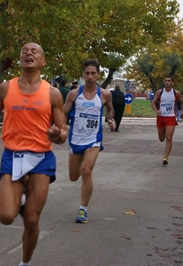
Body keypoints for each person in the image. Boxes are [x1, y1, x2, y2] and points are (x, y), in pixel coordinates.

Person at [0, 43, 68, 266]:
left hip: (41, 159)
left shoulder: (53, 93)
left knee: (32, 219)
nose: (29, 54)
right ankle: (20, 200)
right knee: (6, 216)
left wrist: (56, 134)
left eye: (34, 51)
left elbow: (62, 133)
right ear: (20, 59)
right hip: (13, 156)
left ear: (43, 61)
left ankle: (25, 263)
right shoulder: (6, 88)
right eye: (24, 52)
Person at [63, 59, 116, 224]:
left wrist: (111, 120)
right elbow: (63, 114)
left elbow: (110, 110)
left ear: (98, 75)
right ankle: (81, 174)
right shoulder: (74, 94)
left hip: (93, 139)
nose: (90, 76)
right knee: (73, 176)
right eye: (87, 73)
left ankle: (83, 210)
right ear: (83, 75)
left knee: (86, 171)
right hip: (75, 139)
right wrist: (61, 127)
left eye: (93, 73)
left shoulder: (105, 94)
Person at [151, 76, 183, 165]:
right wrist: (156, 111)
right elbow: (153, 102)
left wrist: (182, 113)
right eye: (165, 81)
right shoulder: (159, 92)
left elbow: (182, 102)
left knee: (169, 137)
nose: (167, 82)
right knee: (161, 139)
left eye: (169, 81)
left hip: (170, 117)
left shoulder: (176, 93)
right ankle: (165, 154)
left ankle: (166, 157)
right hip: (161, 117)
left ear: (172, 83)